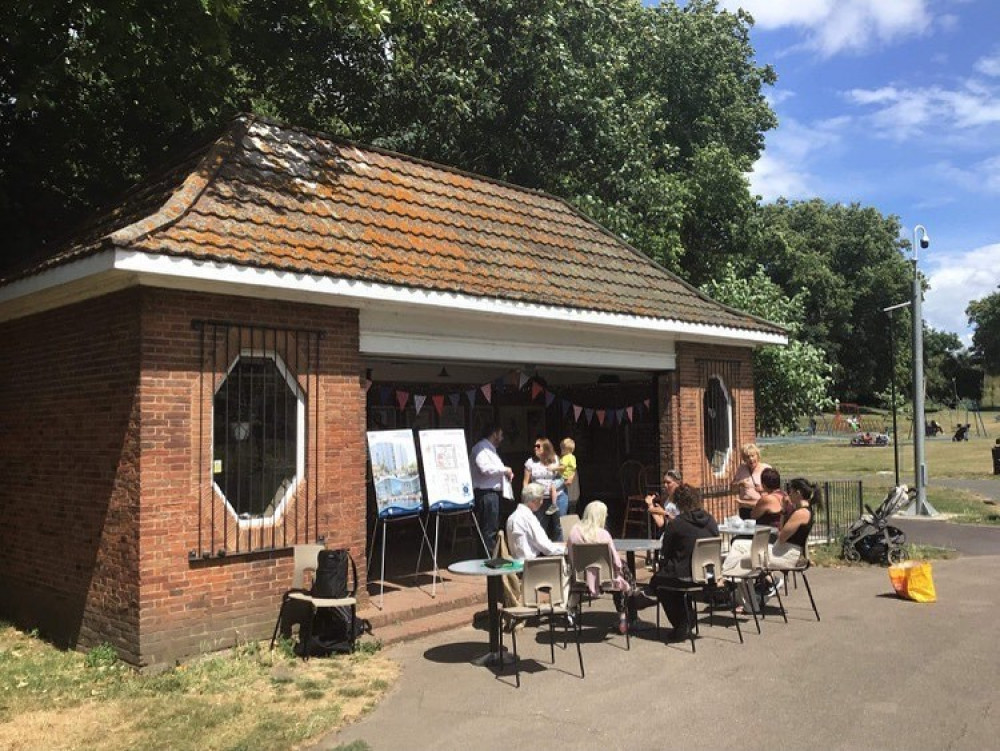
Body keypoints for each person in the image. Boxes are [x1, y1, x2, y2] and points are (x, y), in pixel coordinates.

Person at [723, 477, 819, 610]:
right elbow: (781, 532)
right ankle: (730, 579)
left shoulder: (801, 513)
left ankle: (747, 602)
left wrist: (785, 516)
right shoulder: (801, 511)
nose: (788, 495)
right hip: (781, 549)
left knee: (743, 560)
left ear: (798, 493)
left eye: (790, 492)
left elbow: (781, 536)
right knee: (739, 544)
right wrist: (784, 511)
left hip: (786, 555)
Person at [646, 484, 719, 641]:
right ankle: (686, 617)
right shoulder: (711, 521)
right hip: (707, 575)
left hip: (684, 575)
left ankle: (682, 622)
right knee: (669, 579)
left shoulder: (677, 524)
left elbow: (665, 552)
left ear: (678, 503)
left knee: (659, 583)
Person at [566, 501, 636, 634]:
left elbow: (570, 557)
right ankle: (623, 616)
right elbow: (616, 562)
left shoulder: (574, 532)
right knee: (623, 572)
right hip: (605, 579)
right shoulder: (604, 534)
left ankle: (572, 611)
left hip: (581, 579)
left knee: (574, 578)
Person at [469, 423, 513, 555]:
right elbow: (485, 468)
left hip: (492, 494)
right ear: (494, 433)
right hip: (486, 493)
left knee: (491, 527)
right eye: (501, 434)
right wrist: (504, 470)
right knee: (489, 529)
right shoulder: (481, 448)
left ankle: (488, 557)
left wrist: (506, 474)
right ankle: (489, 559)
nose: (502, 438)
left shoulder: (490, 449)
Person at [506, 482, 565, 561]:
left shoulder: (512, 517)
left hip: (517, 561)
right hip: (531, 565)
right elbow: (547, 548)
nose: (542, 503)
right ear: (534, 501)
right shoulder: (528, 518)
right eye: (541, 499)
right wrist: (567, 548)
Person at [523, 437, 568, 540]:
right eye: (535, 446)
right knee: (540, 526)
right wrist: (526, 499)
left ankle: (559, 551)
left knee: (560, 526)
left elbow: (565, 471)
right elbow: (526, 482)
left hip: (558, 497)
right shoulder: (530, 462)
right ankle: (543, 552)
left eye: (538, 446)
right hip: (539, 499)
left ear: (546, 447)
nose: (535, 448)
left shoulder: (555, 459)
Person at [731, 443, 771, 519]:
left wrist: (762, 489)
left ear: (757, 456)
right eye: (747, 457)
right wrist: (739, 483)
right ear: (744, 459)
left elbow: (774, 489)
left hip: (761, 507)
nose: (751, 459)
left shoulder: (766, 468)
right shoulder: (741, 469)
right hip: (744, 507)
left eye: (753, 456)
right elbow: (732, 489)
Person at [547, 437, 578, 516]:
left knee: (553, 487)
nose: (561, 450)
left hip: (563, 477)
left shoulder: (566, 457)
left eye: (562, 449)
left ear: (566, 450)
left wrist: (553, 468)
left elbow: (563, 467)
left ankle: (554, 505)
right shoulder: (572, 457)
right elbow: (573, 468)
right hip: (566, 477)